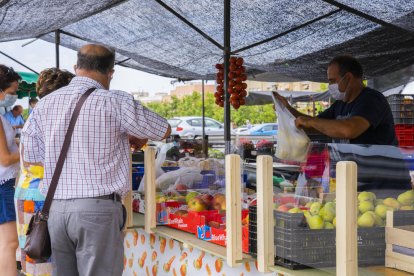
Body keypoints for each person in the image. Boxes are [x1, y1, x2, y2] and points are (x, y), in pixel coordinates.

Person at [21, 44, 171, 276]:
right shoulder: (115, 101)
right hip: (97, 210)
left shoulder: (45, 105)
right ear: (110, 72)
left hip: (56, 209)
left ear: (76, 67)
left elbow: (31, 157)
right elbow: (163, 129)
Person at [15, 68, 74, 276]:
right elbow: (36, 161)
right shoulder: (49, 117)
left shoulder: (37, 115)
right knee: (42, 255)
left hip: (31, 192)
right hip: (42, 194)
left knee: (36, 254)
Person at [274, 55, 397, 145]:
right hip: (354, 176)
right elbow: (316, 124)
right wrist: (287, 109)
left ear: (348, 78)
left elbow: (349, 130)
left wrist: (309, 122)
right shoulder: (339, 105)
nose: (330, 86)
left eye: (332, 80)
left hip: (383, 179)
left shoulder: (372, 99)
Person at [0, 65, 21, 276]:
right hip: (4, 184)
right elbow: (5, 159)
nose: (14, 97)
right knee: (10, 242)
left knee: (5, 242)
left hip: (4, 184)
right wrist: (27, 153)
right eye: (13, 92)